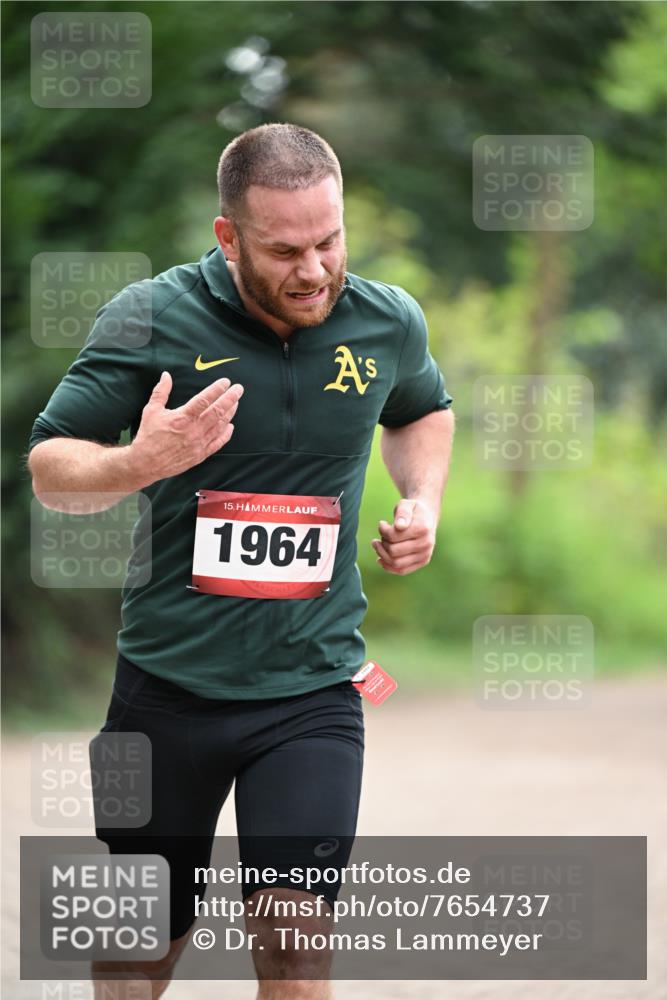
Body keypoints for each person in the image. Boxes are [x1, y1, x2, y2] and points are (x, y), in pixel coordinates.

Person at [28, 123, 455, 999]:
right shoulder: (151, 317)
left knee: (296, 947)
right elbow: (50, 471)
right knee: (137, 954)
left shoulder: (386, 320)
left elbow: (421, 407)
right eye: (284, 249)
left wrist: (423, 502)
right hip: (165, 692)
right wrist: (135, 464)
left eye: (329, 240)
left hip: (311, 693)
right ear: (228, 238)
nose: (312, 269)